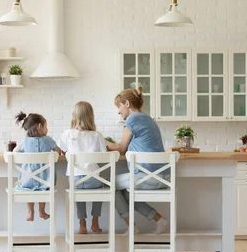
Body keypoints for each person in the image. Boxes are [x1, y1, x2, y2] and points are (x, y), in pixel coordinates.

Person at [106, 87, 169, 234]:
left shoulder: (132, 120)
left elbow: (122, 148)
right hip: (163, 177)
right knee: (127, 193)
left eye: (119, 106)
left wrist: (104, 144)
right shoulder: (147, 118)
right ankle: (160, 220)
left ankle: (132, 227)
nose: (118, 111)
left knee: (109, 183)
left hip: (147, 177)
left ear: (127, 103)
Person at [57, 101, 107, 234]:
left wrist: (67, 153)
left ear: (74, 116)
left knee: (77, 190)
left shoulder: (68, 134)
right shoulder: (97, 135)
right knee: (102, 187)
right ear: (91, 116)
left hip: (75, 179)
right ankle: (95, 222)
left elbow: (59, 151)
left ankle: (82, 224)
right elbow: (103, 155)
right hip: (94, 179)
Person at [13, 111, 61, 221]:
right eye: (46, 126)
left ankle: (30, 212)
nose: (47, 129)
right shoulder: (48, 140)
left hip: (26, 180)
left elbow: (15, 152)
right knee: (42, 190)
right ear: (40, 126)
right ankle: (42, 211)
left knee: (28, 191)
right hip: (45, 180)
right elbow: (57, 151)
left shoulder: (24, 142)